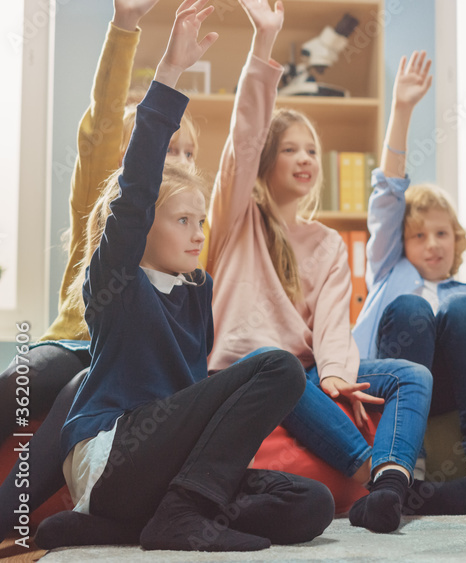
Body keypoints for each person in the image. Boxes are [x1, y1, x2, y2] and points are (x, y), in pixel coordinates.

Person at [31, 0, 335, 552]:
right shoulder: (117, 280)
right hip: (111, 458)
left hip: (161, 476)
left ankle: (129, 528)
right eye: (183, 221)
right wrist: (169, 72)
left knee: (311, 504)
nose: (199, 233)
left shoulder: (199, 291)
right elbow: (137, 187)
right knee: (278, 369)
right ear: (143, 225)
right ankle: (177, 517)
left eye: (201, 220)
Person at [204, 11, 466, 533]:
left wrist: (335, 376)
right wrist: (264, 42)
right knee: (279, 366)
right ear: (264, 161)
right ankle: (404, 489)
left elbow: (333, 324)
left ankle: (391, 485)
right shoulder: (236, 219)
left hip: (307, 373)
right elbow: (243, 135)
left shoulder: (328, 242)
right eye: (290, 149)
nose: (306, 159)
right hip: (248, 374)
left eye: (312, 150)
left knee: (410, 374)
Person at [0, 0, 201, 536]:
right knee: (29, 378)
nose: (169, 159)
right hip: (72, 342)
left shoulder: (187, 234)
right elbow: (103, 122)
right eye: (160, 145)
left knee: (81, 388)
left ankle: (14, 520)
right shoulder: (107, 197)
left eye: (183, 151)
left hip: (116, 368)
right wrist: (126, 26)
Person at [351, 51, 466, 504]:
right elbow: (386, 196)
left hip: (451, 385)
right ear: (400, 244)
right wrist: (402, 110)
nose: (433, 244)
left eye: (442, 233)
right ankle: (408, 458)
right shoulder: (389, 269)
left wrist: (459, 342)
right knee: (412, 307)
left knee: (462, 309)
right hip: (395, 379)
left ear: (458, 241)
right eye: (419, 235)